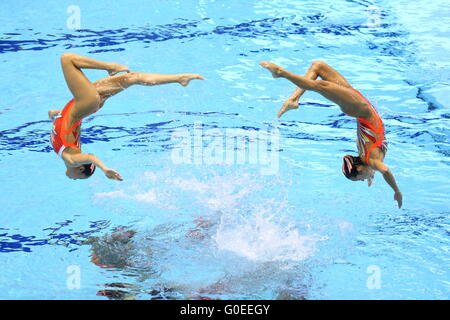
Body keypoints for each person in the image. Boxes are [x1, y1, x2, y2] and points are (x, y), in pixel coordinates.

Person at [260, 60, 402, 208]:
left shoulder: (371, 160)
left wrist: (396, 191)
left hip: (358, 108)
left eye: (360, 179)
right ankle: (293, 100)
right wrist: (370, 173)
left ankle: (281, 73)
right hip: (359, 105)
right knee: (318, 67)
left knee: (319, 86)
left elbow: (384, 169)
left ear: (360, 169)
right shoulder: (366, 157)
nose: (363, 180)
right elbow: (375, 166)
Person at [49, 53, 204, 181]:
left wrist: (57, 115)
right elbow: (90, 156)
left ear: (80, 168)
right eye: (77, 178)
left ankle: (179, 79)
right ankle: (178, 78)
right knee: (66, 59)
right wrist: (105, 169)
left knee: (133, 78)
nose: (73, 179)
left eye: (77, 178)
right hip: (85, 103)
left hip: (86, 105)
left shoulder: (70, 159)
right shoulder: (70, 158)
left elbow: (82, 145)